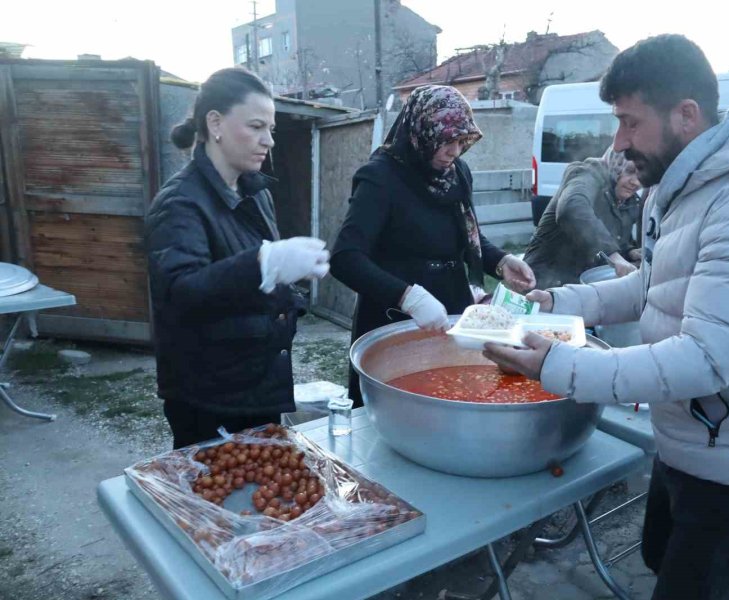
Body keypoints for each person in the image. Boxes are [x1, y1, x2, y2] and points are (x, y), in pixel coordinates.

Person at [484, 35, 729, 600]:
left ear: (685, 116)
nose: (617, 143)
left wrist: (559, 365)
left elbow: (707, 358)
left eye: (629, 123)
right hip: (693, 437)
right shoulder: (686, 186)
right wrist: (556, 303)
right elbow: (649, 286)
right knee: (658, 554)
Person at [146, 68, 330, 449]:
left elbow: (254, 286)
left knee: (264, 496)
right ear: (215, 123)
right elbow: (181, 292)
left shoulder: (255, 191)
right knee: (218, 500)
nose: (269, 141)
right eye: (257, 126)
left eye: (271, 129)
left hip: (258, 381)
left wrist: (288, 295)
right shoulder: (179, 202)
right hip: (210, 395)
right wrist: (263, 264)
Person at [330, 85, 535, 404]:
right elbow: (345, 258)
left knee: (450, 394)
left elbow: (466, 234)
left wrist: (500, 261)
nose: (455, 150)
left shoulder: (457, 174)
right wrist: (407, 297)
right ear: (421, 132)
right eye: (446, 140)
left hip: (451, 309)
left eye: (461, 140)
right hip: (395, 317)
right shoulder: (381, 178)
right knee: (399, 402)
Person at [523, 146, 642, 288]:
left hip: (579, 286)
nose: (635, 182)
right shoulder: (587, 174)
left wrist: (629, 252)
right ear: (615, 165)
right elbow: (571, 208)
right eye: (629, 172)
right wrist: (612, 255)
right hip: (542, 282)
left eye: (641, 175)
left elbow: (613, 236)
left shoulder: (627, 200)